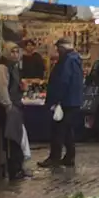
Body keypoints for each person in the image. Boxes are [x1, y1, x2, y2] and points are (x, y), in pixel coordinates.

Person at [41, 38, 84, 169]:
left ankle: (55, 157)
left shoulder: (67, 61)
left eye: (58, 48)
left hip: (65, 102)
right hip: (73, 101)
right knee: (67, 130)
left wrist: (56, 99)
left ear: (62, 48)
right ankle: (69, 156)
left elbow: (63, 81)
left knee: (58, 129)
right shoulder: (75, 60)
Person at [0, 42, 27, 181]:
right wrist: (8, 105)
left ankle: (18, 167)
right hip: (8, 108)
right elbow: (2, 89)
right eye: (12, 52)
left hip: (15, 106)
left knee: (16, 139)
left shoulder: (14, 68)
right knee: (11, 140)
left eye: (17, 52)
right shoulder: (1, 68)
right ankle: (13, 170)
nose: (15, 55)